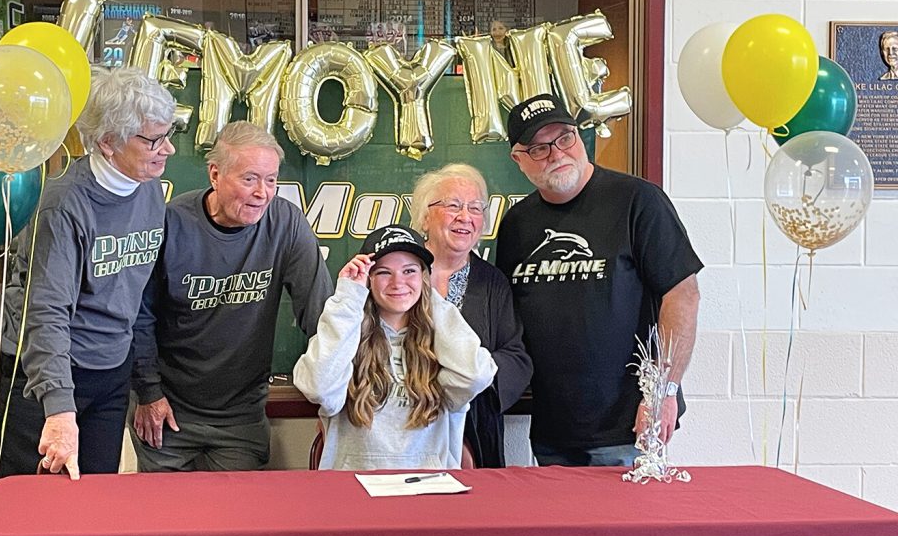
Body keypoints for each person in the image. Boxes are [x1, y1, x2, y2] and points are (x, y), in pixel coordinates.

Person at [0, 66, 176, 482]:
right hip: (36, 373)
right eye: (153, 139)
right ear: (108, 142)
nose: (168, 149)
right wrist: (58, 408)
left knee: (92, 509)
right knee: (28, 514)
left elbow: (138, 300)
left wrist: (147, 385)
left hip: (108, 372)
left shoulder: (148, 193)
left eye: (169, 134)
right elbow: (47, 313)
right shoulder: (64, 206)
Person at [496, 94, 702, 467]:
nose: (557, 153)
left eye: (564, 138)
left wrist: (662, 393)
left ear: (579, 137)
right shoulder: (516, 224)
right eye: (539, 148)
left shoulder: (638, 201)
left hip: (630, 427)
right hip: (551, 431)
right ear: (519, 159)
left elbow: (682, 295)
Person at [131, 121, 333, 471]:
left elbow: (321, 314)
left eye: (271, 180)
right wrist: (148, 393)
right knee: (165, 520)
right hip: (167, 410)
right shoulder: (170, 223)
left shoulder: (285, 223)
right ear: (215, 174)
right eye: (250, 178)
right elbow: (138, 316)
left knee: (233, 519)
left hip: (241, 415)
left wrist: (337, 399)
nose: (263, 193)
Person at [293, 225, 497, 470]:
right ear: (368, 280)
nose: (398, 282)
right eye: (384, 273)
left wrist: (431, 298)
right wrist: (349, 297)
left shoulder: (444, 341)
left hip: (429, 489)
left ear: (424, 276)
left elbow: (476, 375)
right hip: (355, 488)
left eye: (409, 271)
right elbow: (319, 388)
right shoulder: (345, 335)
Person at [409, 163, 532, 467]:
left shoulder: (493, 283)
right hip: (400, 423)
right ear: (425, 217)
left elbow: (516, 357)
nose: (466, 217)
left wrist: (467, 377)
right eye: (453, 205)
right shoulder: (398, 272)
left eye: (476, 208)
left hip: (473, 431)